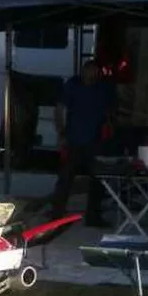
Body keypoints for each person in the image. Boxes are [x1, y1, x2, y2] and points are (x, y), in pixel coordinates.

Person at [50, 58, 117, 227]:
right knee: (65, 178)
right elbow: (60, 108)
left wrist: (109, 128)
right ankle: (57, 213)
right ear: (84, 71)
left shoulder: (103, 88)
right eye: (89, 71)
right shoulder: (73, 84)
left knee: (98, 179)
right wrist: (61, 131)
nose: (92, 75)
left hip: (95, 140)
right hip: (74, 138)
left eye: (95, 72)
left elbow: (110, 111)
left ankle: (93, 216)